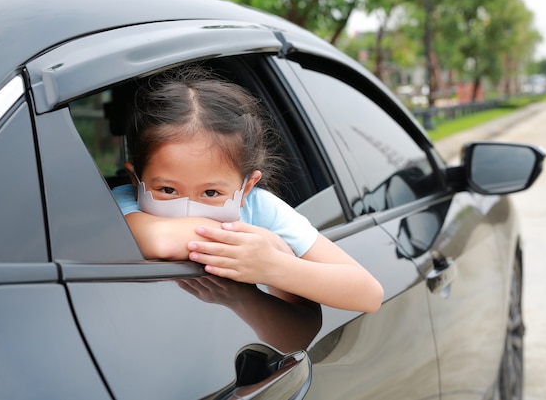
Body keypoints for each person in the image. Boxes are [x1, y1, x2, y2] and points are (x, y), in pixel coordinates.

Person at [112, 66, 384, 313]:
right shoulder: (124, 201)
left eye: (210, 193)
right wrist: (271, 243)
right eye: (168, 190)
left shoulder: (259, 207)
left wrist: (273, 264)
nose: (187, 207)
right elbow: (159, 241)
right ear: (136, 180)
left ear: (246, 189)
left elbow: (368, 294)